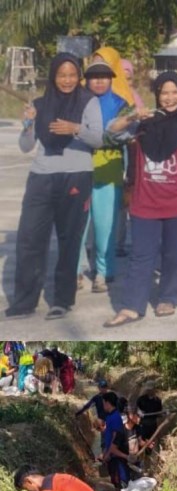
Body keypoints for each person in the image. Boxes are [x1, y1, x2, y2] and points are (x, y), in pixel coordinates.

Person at [101, 72, 177, 327]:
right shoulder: (143, 123)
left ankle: (168, 297)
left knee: (174, 254)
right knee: (141, 255)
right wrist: (132, 117)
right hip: (145, 202)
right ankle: (131, 306)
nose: (169, 98)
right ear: (157, 95)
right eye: (164, 92)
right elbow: (111, 132)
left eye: (175, 92)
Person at [6, 54, 104, 320]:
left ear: (78, 76)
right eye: (62, 75)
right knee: (29, 238)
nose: (67, 80)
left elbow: (98, 139)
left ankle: (62, 300)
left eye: (72, 75)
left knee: (69, 239)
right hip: (42, 176)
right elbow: (26, 146)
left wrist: (75, 128)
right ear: (53, 76)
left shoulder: (88, 101)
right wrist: (29, 124)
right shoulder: (40, 104)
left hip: (76, 176)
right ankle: (24, 301)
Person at [80, 56, 129, 293]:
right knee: (77, 226)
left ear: (111, 79)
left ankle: (103, 271)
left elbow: (128, 136)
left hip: (109, 169)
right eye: (94, 77)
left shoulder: (121, 104)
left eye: (104, 77)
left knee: (105, 225)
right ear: (86, 80)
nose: (99, 81)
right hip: (79, 167)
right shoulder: (77, 102)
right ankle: (76, 270)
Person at [100, 393, 131, 490]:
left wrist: (108, 454)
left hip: (117, 456)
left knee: (121, 481)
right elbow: (109, 437)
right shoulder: (109, 416)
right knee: (114, 479)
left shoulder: (115, 417)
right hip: (111, 454)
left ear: (108, 403)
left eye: (103, 403)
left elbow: (115, 438)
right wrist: (105, 452)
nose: (103, 405)